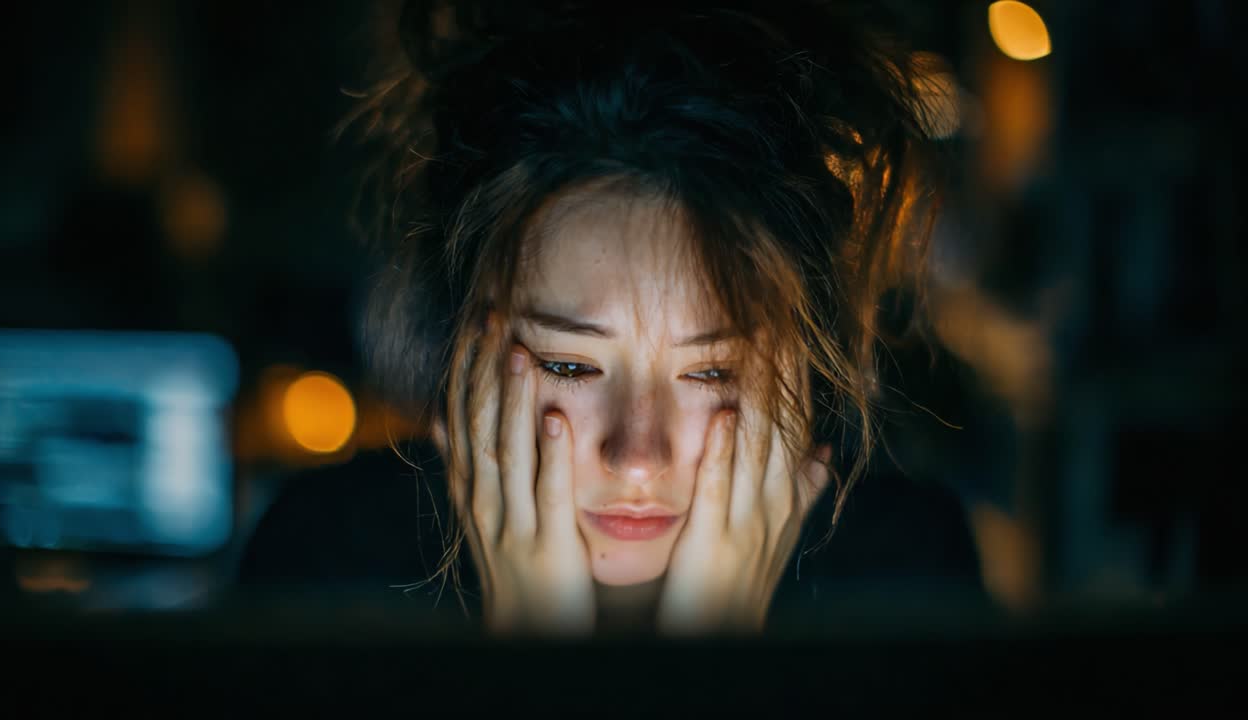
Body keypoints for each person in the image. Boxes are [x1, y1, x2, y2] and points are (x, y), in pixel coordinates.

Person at [304, 0, 970, 637]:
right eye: (569, 365)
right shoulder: (320, 569)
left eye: (712, 371)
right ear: (460, 345)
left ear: (806, 360)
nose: (638, 459)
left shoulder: (910, 581)